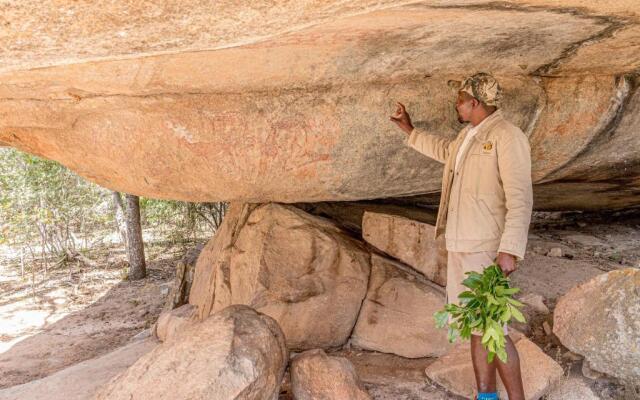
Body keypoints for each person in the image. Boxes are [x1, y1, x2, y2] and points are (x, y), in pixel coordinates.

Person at [389, 72, 533, 400]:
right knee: (477, 327)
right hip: (461, 245)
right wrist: (409, 131)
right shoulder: (469, 135)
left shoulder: (507, 136)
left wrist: (510, 249)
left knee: (494, 328)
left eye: (460, 99)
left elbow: (520, 197)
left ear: (475, 102)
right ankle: (486, 396)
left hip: (486, 249)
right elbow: (445, 151)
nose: (456, 104)